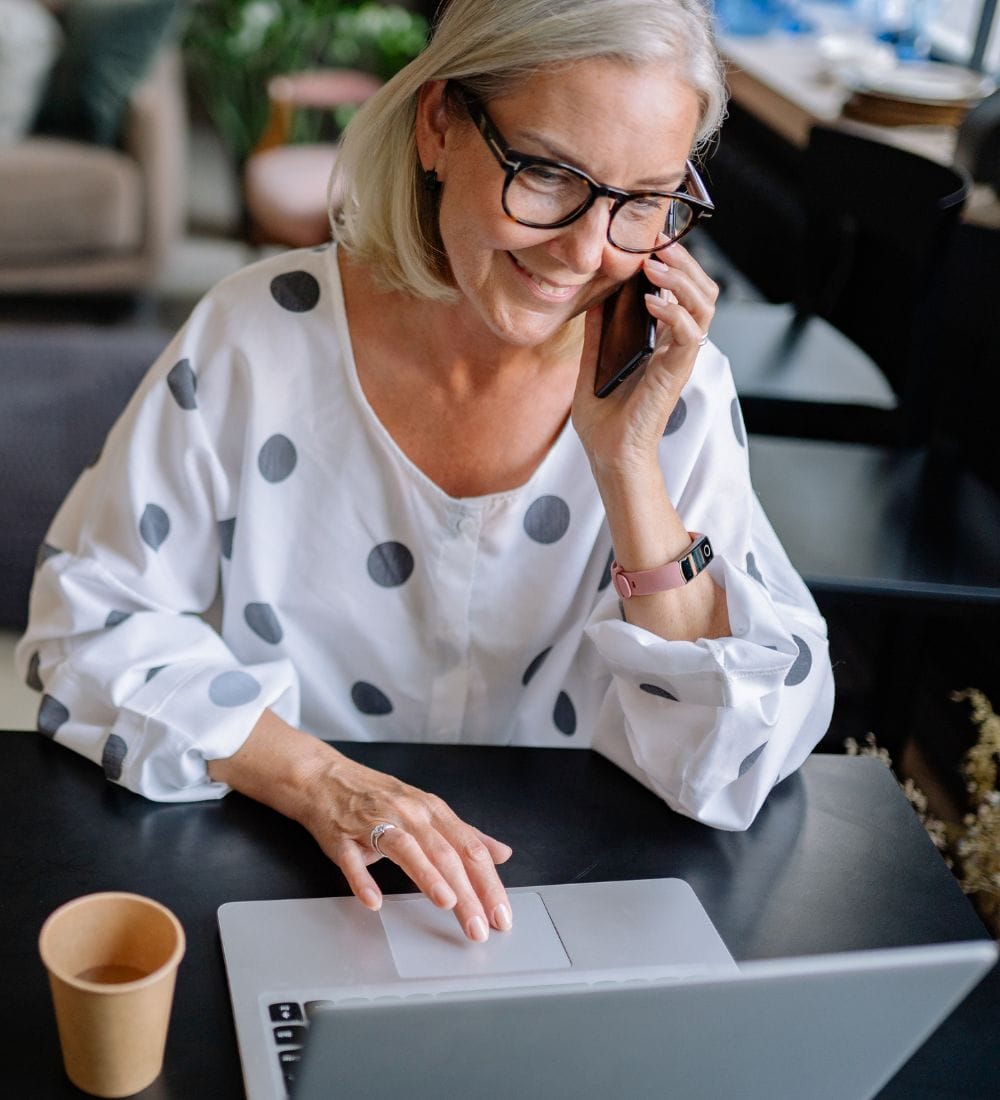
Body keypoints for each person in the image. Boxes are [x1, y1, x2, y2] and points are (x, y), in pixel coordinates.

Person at [17, 0, 833, 943]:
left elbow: (731, 759)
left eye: (643, 201)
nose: (584, 251)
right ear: (439, 121)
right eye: (548, 174)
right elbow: (83, 626)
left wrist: (627, 463)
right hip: (293, 870)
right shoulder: (257, 339)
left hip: (570, 902)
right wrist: (322, 781)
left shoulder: (671, 389)